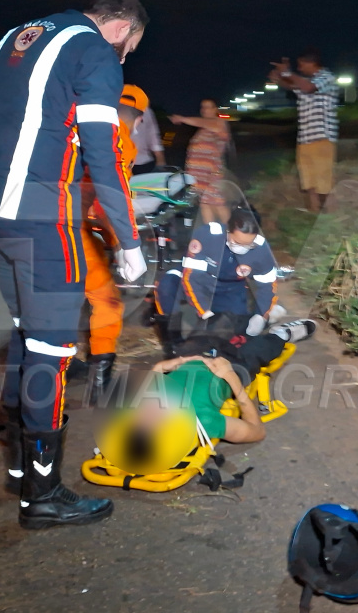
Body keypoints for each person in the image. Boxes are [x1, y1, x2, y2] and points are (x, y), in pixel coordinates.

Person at [0, 0, 149, 530]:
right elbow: (104, 155)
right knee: (53, 350)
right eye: (130, 47)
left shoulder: (19, 35)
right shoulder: (95, 51)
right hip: (38, 216)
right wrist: (128, 242)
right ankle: (43, 495)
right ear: (123, 29)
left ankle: (21, 468)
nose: (125, 57)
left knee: (27, 333)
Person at [134, 319, 316, 447]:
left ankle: (254, 322)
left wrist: (178, 361)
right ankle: (280, 334)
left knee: (214, 325)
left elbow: (157, 370)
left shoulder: (145, 405)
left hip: (193, 354)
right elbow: (257, 432)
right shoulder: (202, 422)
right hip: (232, 368)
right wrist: (230, 376)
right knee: (256, 351)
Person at [79, 84, 149, 405]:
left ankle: (53, 368)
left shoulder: (77, 127)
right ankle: (101, 383)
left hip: (38, 221)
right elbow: (112, 199)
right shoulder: (120, 139)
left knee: (55, 302)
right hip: (73, 228)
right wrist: (125, 243)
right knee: (106, 302)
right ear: (139, 119)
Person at [152, 209, 286, 357]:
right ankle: (173, 343)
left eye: (249, 245)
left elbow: (268, 287)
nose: (242, 249)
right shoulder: (208, 236)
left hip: (230, 288)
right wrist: (204, 312)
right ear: (227, 230)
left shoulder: (262, 250)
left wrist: (262, 315)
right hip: (197, 279)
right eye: (237, 242)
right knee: (166, 287)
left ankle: (270, 316)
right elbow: (191, 279)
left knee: (235, 332)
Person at [269, 49, 340, 212]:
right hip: (305, 138)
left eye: (301, 65)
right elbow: (293, 86)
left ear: (311, 63)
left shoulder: (326, 78)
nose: (300, 69)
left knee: (324, 179)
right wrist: (279, 79)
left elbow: (307, 87)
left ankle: (333, 215)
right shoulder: (308, 81)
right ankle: (314, 212)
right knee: (309, 181)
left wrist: (287, 72)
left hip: (322, 137)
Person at [171, 99, 230, 224]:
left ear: (216, 110)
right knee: (204, 203)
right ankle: (211, 232)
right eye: (202, 107)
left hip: (211, 173)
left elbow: (202, 122)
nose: (204, 110)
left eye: (208, 107)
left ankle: (231, 232)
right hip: (199, 175)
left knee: (218, 202)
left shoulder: (219, 123)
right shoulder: (203, 129)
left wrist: (182, 119)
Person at [130, 105, 166, 175]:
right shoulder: (113, 107)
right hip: (118, 162)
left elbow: (153, 134)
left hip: (143, 161)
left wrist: (160, 158)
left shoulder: (145, 110)